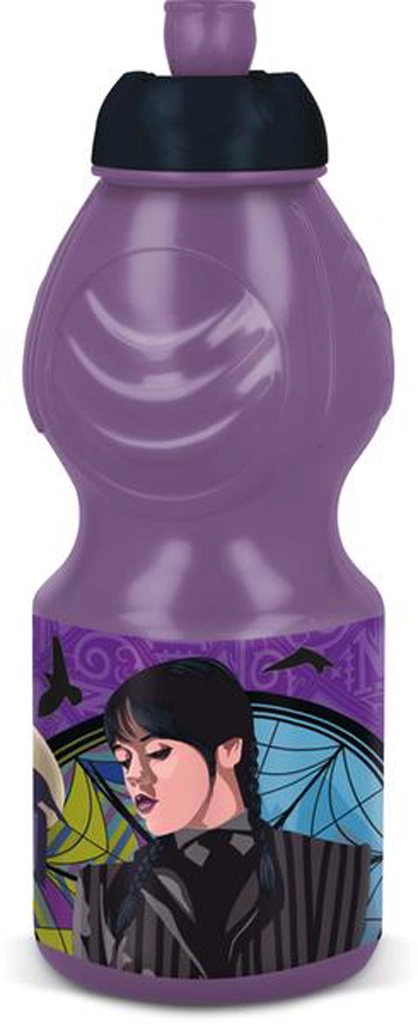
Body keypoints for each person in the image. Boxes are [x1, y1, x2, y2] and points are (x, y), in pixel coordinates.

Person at [72, 658, 370, 979]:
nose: (134, 775)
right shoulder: (102, 893)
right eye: (124, 760)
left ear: (229, 750)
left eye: (158, 753)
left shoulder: (332, 871)